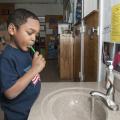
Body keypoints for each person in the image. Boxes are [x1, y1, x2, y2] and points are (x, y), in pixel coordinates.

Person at [0, 9, 46, 120]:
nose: (34, 38)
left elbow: (26, 73)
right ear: (12, 29)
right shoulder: (6, 58)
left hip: (31, 106)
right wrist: (34, 70)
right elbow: (10, 93)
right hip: (18, 114)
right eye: (30, 33)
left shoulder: (25, 50)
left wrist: (35, 66)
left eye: (36, 34)